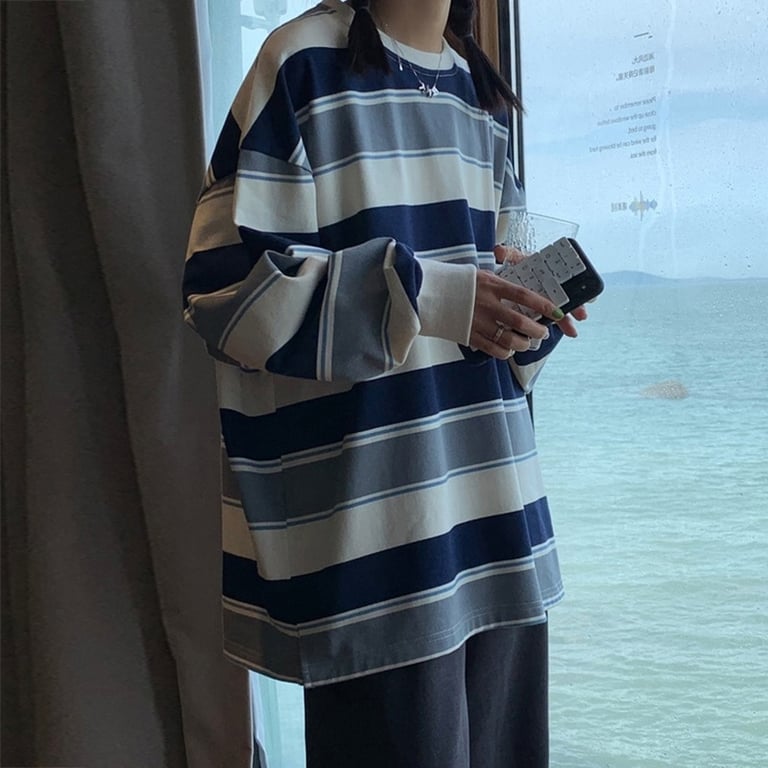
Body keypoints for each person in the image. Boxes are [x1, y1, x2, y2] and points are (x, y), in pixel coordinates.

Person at [183, 1, 586, 765]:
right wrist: (435, 298)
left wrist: (531, 312)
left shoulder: (479, 94)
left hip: (497, 527)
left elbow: (493, 341)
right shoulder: (301, 63)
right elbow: (224, 293)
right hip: (374, 550)